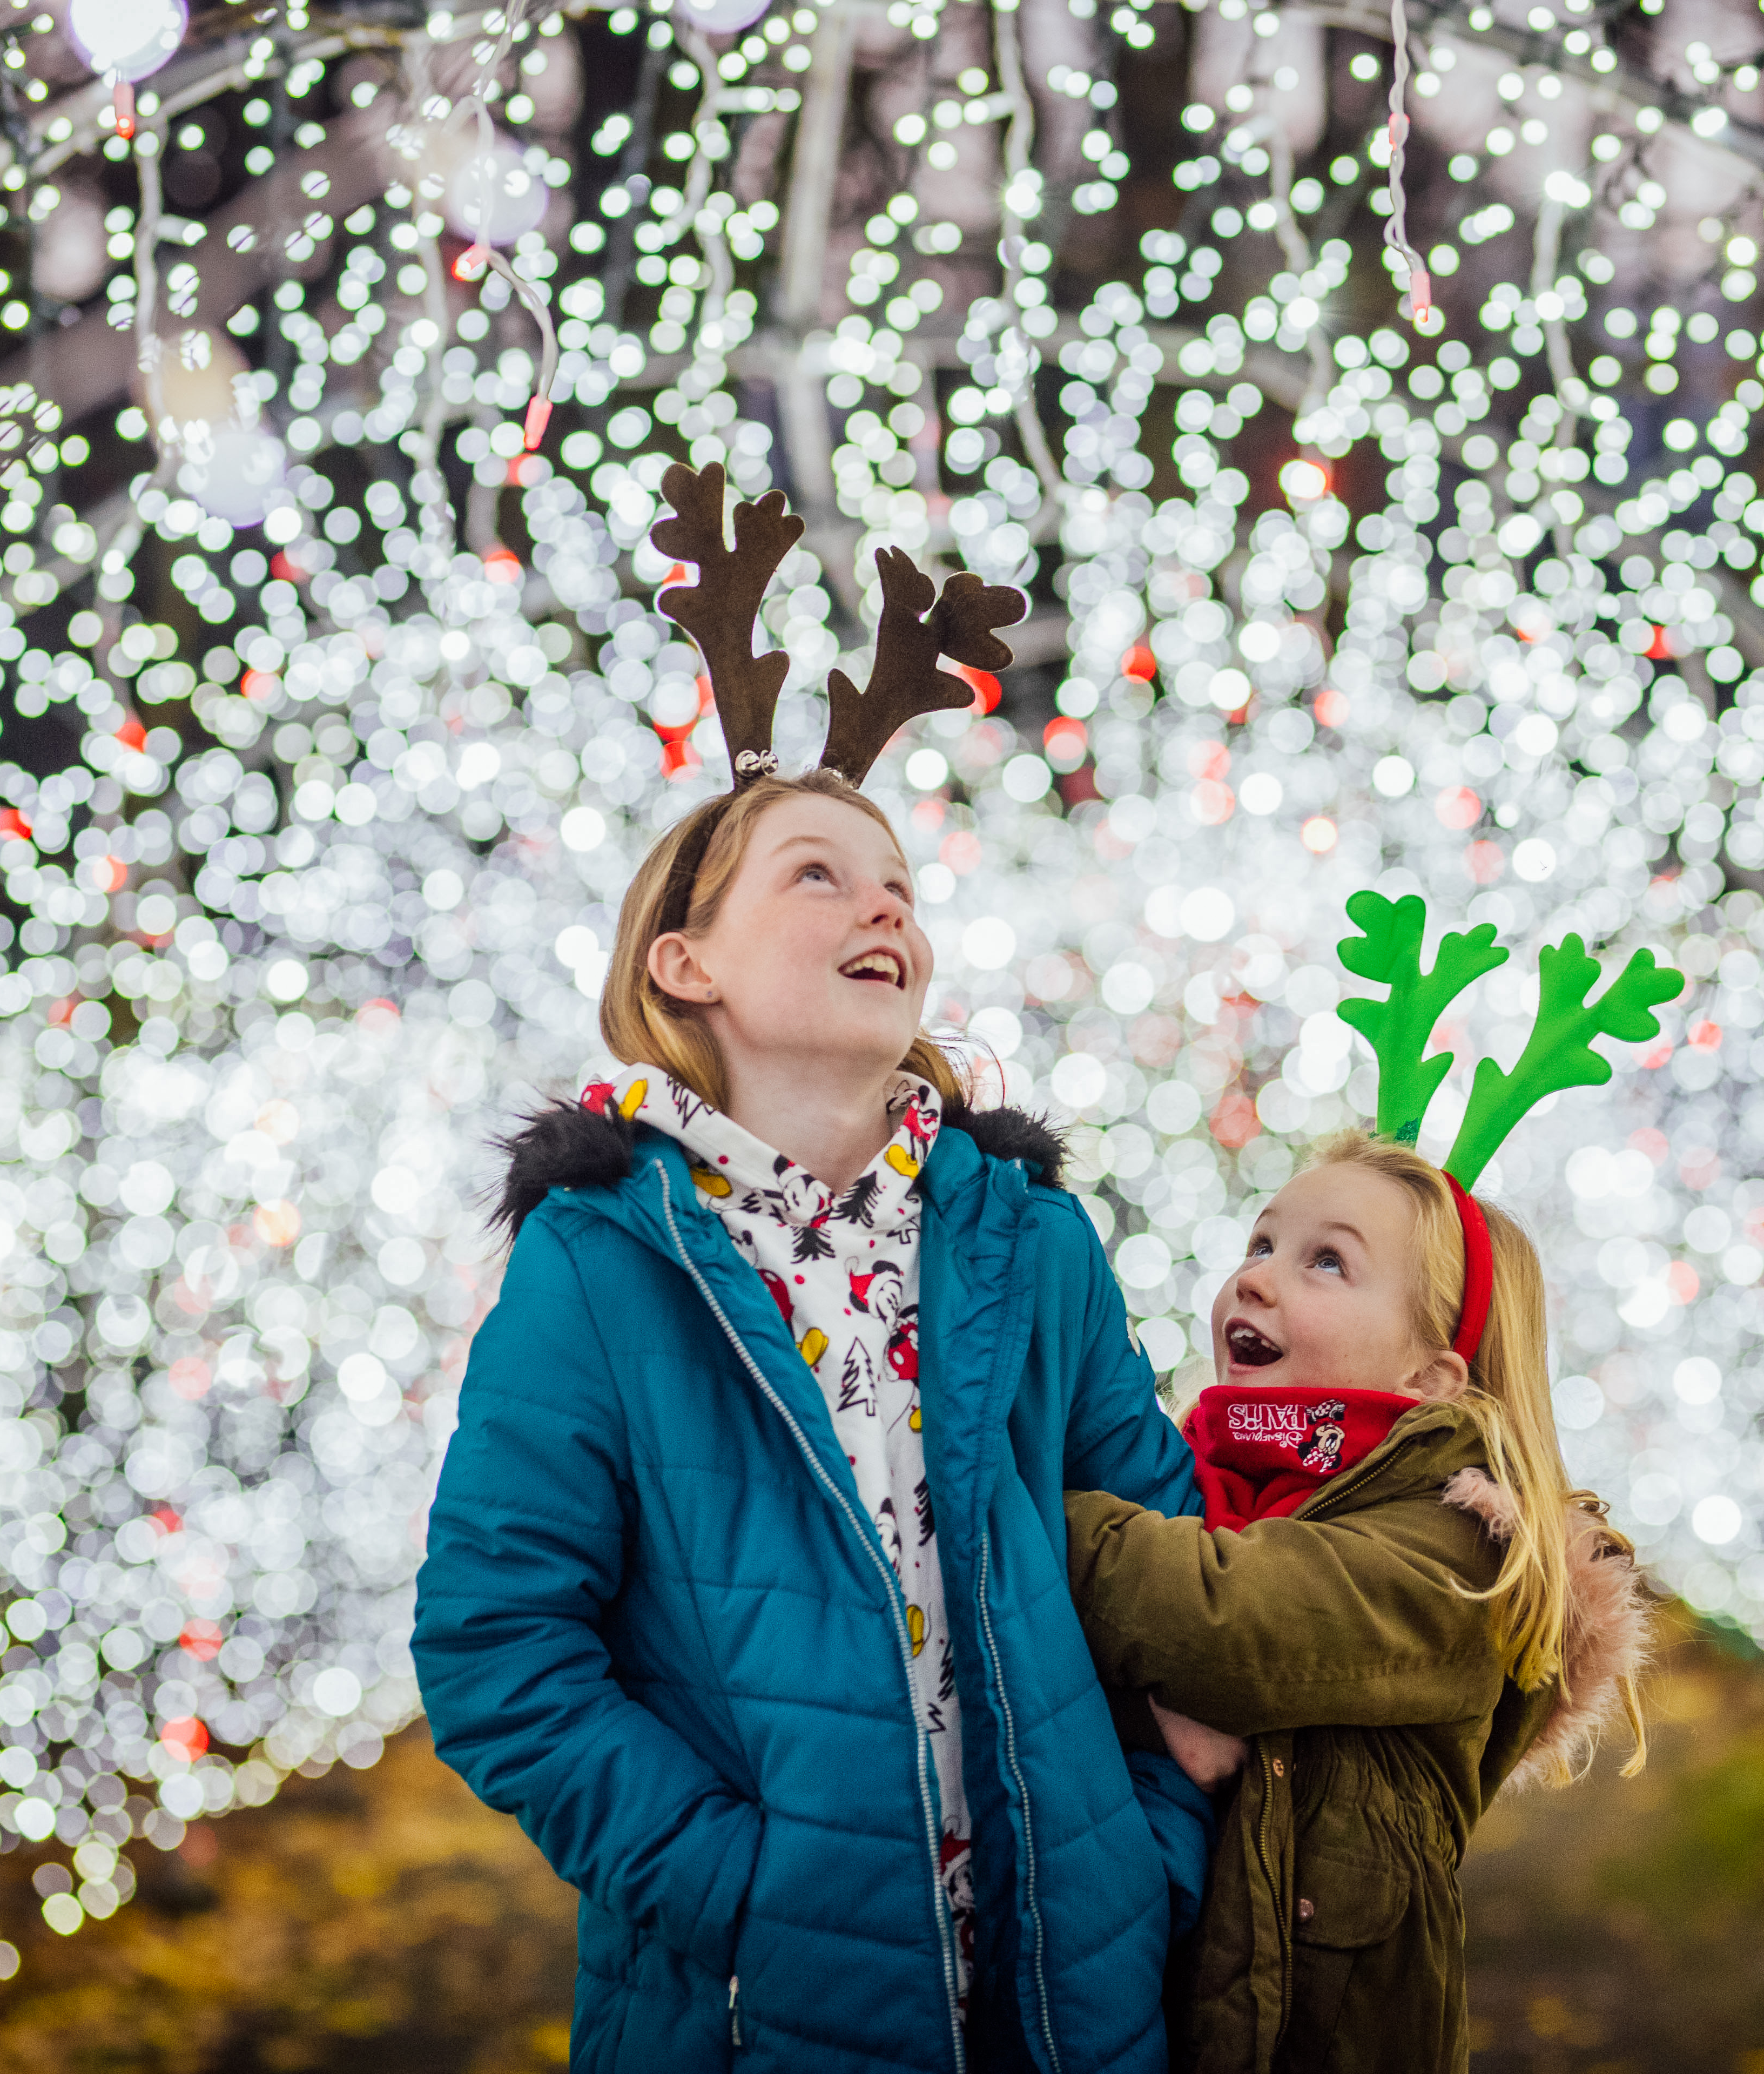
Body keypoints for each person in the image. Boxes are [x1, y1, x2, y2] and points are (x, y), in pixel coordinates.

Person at [414, 463, 1211, 2074]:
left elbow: (1162, 1555)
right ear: (684, 964)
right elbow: (499, 1648)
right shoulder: (603, 1269)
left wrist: (1146, 1845)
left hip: (1070, 1998)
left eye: (900, 887)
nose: (884, 907)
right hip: (751, 2016)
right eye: (819, 875)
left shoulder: (1029, 1241)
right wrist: (739, 1890)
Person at [1063, 1133, 1654, 2074]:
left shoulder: (1454, 1554)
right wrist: (1157, 1705)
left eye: (1326, 1262)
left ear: (1428, 1380)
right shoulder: (1202, 1480)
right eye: (1260, 1245)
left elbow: (1225, 1623)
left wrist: (1023, 1510)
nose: (1255, 1280)